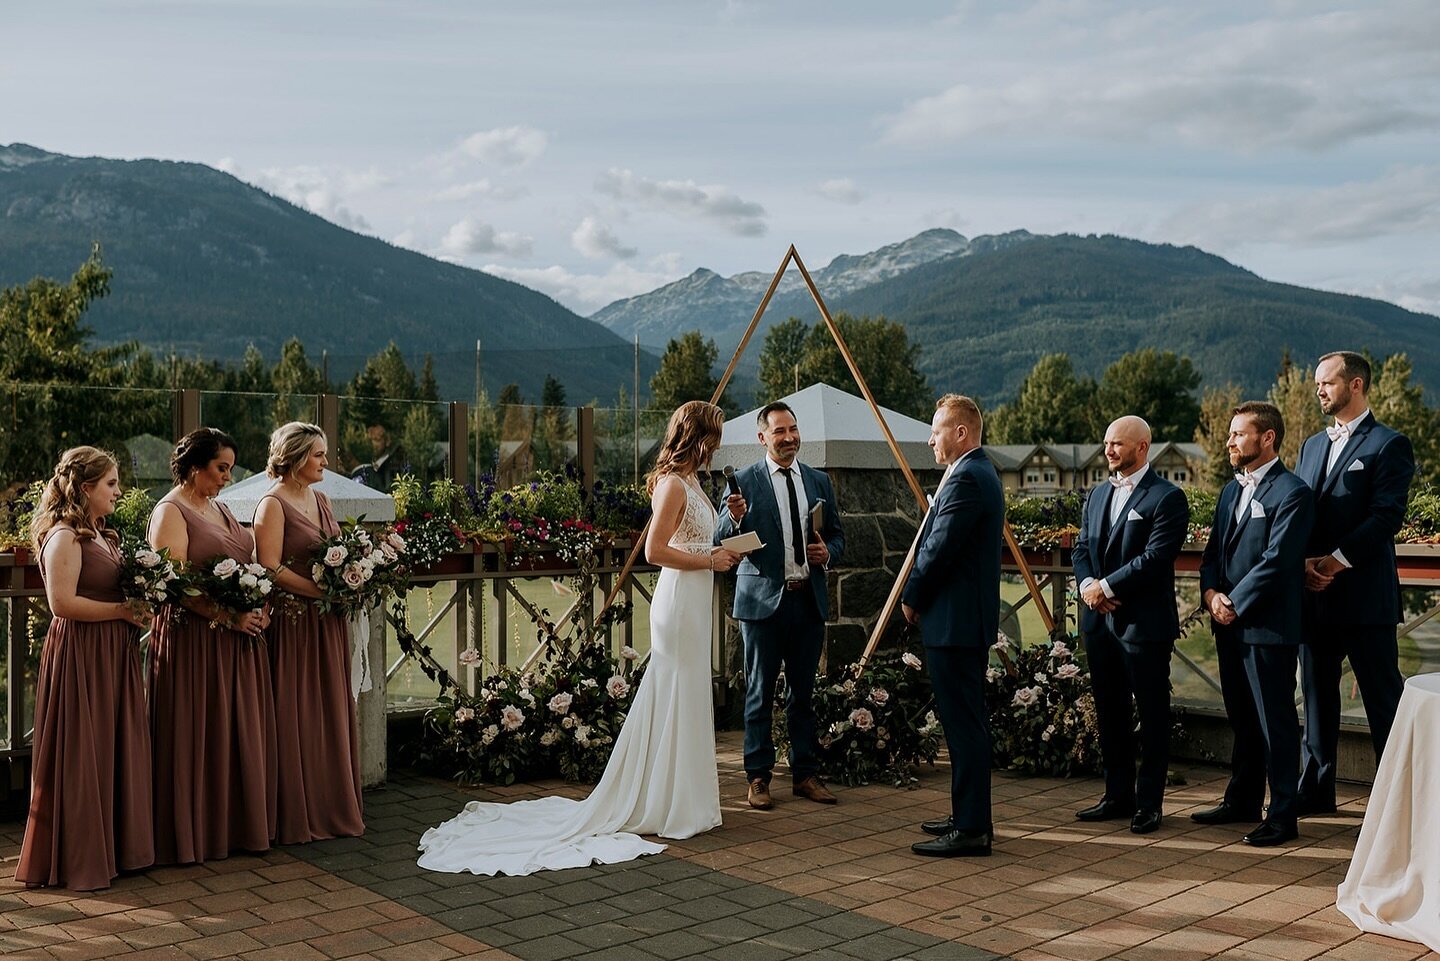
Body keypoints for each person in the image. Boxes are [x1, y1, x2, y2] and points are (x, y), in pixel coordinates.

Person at [416, 401, 741, 876]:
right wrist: (710, 561)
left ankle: (682, 799)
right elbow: (654, 550)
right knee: (674, 691)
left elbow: (694, 538)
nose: (720, 444)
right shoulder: (673, 484)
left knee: (688, 694)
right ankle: (668, 804)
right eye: (716, 434)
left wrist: (728, 529)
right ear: (700, 437)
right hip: (679, 602)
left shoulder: (694, 482)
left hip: (695, 597)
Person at [15, 447, 154, 890]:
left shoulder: (99, 535)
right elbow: (63, 604)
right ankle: (80, 855)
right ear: (85, 487)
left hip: (112, 651)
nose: (118, 492)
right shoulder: (64, 537)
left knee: (110, 743)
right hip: (82, 654)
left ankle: (114, 847)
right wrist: (121, 612)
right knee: (84, 748)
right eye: (111, 484)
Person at [148, 427, 277, 863]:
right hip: (194, 642)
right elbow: (176, 585)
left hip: (236, 641)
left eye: (230, 469)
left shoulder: (219, 507)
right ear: (194, 466)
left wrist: (258, 602)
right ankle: (193, 834)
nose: (227, 477)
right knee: (196, 731)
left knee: (232, 731)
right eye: (221, 468)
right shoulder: (170, 512)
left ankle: (233, 827)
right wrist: (229, 615)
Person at [1295, 351, 1415, 815]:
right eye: (1317, 384)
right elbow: (1300, 513)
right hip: (1314, 597)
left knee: (1385, 702)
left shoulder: (1389, 444)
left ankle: (1396, 802)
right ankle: (1317, 789)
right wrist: (1303, 564)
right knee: (1317, 699)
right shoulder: (1310, 446)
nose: (1319, 390)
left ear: (1357, 385)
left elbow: (1386, 517)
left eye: (1327, 382)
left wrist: (1335, 562)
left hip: (1365, 598)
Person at [715, 401, 846, 810]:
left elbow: (838, 536)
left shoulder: (818, 481)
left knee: (802, 696)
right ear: (762, 438)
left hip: (808, 600)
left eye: (793, 429)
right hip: (761, 605)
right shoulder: (743, 482)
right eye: (779, 432)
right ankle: (757, 778)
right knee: (757, 694)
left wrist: (830, 553)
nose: (789, 437)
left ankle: (805, 775)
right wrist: (735, 519)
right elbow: (721, 535)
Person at [1195, 402, 1314, 847]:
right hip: (1228, 624)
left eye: (1238, 434)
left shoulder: (1293, 492)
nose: (1229, 442)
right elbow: (1212, 558)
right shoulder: (1229, 492)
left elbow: (1279, 561)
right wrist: (1211, 596)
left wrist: (1236, 602)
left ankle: (1283, 814)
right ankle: (1241, 800)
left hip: (1267, 627)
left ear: (1267, 438)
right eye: (1229, 434)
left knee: (1274, 723)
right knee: (1242, 720)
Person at [1072, 416, 1189, 834]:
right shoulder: (1097, 495)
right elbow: (1082, 545)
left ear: (1143, 447)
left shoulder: (1167, 498)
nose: (1108, 451)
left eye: (1117, 444)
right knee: (1110, 713)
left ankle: (1149, 804)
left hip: (1144, 624)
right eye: (1106, 443)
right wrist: (1088, 584)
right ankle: (1116, 795)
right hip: (1099, 624)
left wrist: (1105, 585)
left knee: (1153, 715)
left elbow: (1156, 558)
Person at [901, 395, 1003, 857]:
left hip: (955, 622)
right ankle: (965, 813)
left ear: (961, 432)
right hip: (959, 620)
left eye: (937, 430)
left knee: (963, 724)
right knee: (962, 721)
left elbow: (939, 548)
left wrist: (912, 597)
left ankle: (972, 829)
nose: (930, 439)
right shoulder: (973, 471)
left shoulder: (967, 478)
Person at [253, 422, 365, 843]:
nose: (325, 461)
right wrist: (321, 590)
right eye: (318, 454)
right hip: (295, 622)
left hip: (327, 621)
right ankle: (296, 811)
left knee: (328, 709)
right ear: (296, 457)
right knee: (295, 709)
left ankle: (330, 802)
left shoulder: (320, 499)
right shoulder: (272, 505)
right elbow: (270, 566)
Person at [353, 423, 404, 492]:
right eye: (370, 440)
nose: (373, 444)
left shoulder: (392, 466)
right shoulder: (369, 465)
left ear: (387, 441)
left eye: (377, 440)